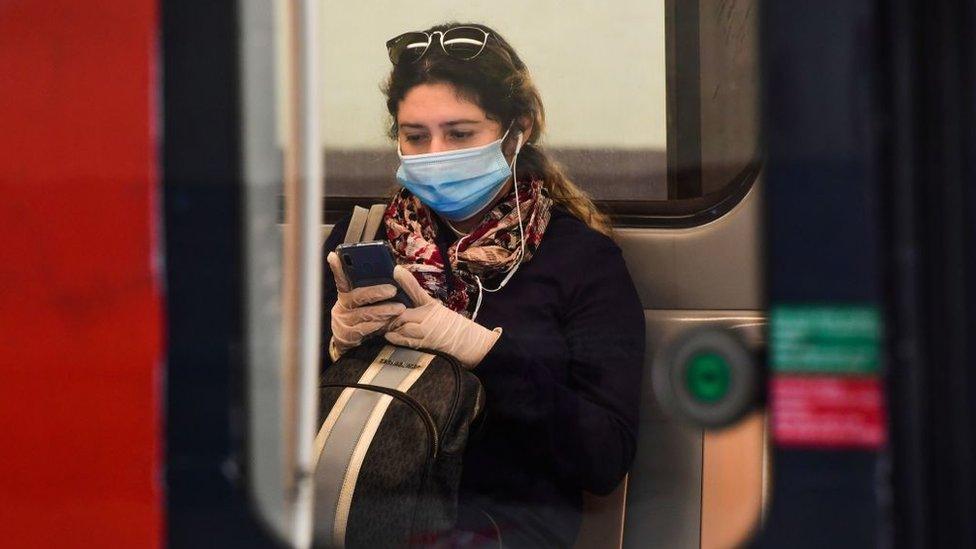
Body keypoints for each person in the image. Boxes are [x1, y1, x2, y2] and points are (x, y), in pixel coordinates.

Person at [321, 22, 645, 548]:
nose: (434, 154)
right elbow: (283, 417)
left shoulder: (581, 260)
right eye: (415, 136)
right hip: (351, 510)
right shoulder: (360, 242)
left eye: (461, 134)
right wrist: (336, 347)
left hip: (498, 528)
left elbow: (604, 457)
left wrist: (482, 352)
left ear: (518, 131)